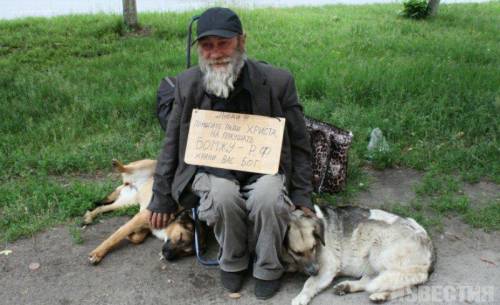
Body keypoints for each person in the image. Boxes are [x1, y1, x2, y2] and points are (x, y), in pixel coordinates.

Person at [146, 7, 314, 300]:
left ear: (241, 41)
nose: (216, 53)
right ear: (199, 49)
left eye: (223, 43)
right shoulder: (187, 84)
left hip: (264, 167)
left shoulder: (278, 81)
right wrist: (160, 198)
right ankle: (233, 259)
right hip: (209, 170)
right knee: (223, 194)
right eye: (207, 46)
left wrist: (302, 195)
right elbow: (172, 143)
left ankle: (268, 267)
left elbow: (300, 143)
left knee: (268, 197)